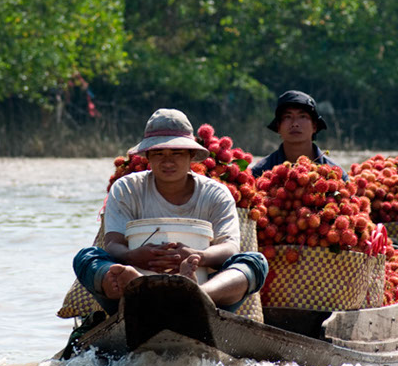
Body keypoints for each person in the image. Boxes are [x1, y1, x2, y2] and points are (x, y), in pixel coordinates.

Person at [72, 108, 268, 315]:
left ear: (191, 155)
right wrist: (132, 256)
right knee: (87, 257)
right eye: (159, 153)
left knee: (255, 263)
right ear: (147, 156)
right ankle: (137, 286)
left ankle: (197, 293)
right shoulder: (127, 188)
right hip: (134, 293)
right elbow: (113, 243)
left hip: (205, 298)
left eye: (176, 153)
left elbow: (229, 247)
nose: (167, 162)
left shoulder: (215, 193)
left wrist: (198, 256)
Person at [250, 90, 348, 181]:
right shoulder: (260, 173)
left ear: (314, 126)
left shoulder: (336, 176)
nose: (295, 123)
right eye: (287, 117)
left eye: (302, 116)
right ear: (278, 127)